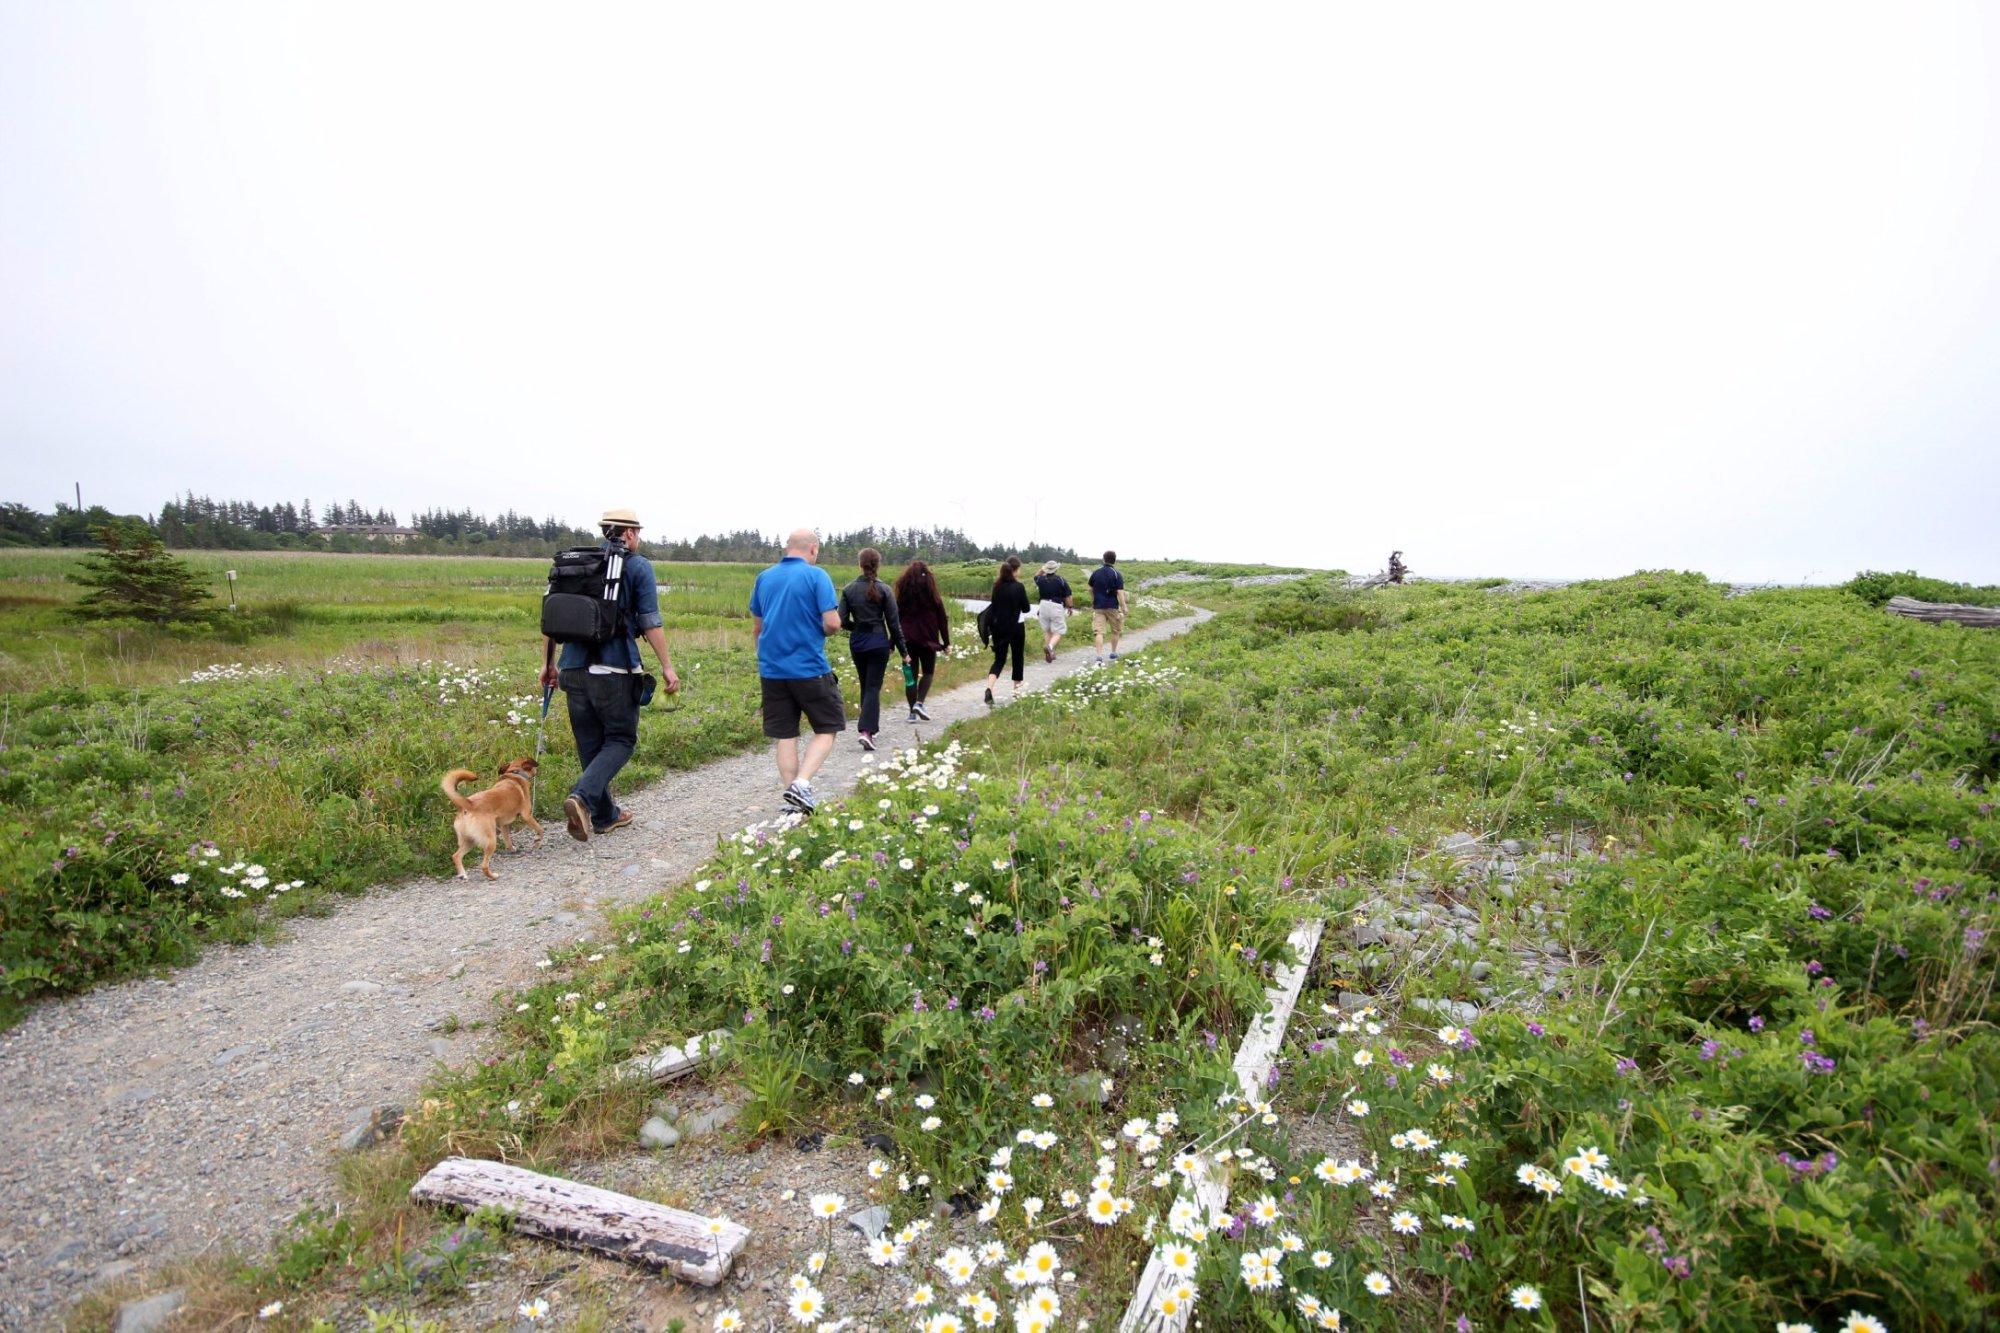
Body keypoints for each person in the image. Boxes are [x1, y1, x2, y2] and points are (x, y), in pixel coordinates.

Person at [538, 507, 680, 841]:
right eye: (638, 532)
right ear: (629, 532)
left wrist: (548, 664)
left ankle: (604, 816)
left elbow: (549, 619)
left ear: (605, 531)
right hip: (614, 670)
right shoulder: (637, 566)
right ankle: (583, 797)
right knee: (621, 739)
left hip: (572, 669)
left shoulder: (574, 567)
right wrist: (667, 666)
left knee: (590, 744)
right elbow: (650, 621)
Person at [749, 528, 845, 813]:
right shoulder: (817, 576)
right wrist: (821, 628)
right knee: (828, 726)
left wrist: (765, 656)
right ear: (813, 549)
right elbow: (833, 623)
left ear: (788, 547)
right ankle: (801, 784)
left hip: (772, 670)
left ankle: (792, 800)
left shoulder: (764, 577)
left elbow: (758, 627)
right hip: (809, 667)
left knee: (786, 733)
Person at [839, 547, 907, 751]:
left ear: (859, 565)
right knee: (872, 686)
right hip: (878, 642)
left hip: (858, 642)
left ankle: (869, 727)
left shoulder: (848, 589)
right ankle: (866, 731)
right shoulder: (885, 590)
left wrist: (857, 627)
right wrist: (904, 652)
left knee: (866, 684)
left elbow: (841, 620)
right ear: (878, 565)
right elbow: (894, 624)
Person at [894, 559, 949, 722]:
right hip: (928, 639)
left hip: (907, 640)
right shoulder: (933, 596)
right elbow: (942, 620)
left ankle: (912, 713)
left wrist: (892, 643)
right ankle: (920, 702)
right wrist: (946, 642)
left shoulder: (902, 596)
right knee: (928, 672)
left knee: (910, 677)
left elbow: (895, 620)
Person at [983, 559, 1032, 705]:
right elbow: (1027, 608)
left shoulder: (996, 586)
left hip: (999, 629)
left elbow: (994, 605)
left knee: (999, 660)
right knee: (1017, 658)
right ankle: (1016, 694)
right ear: (1015, 570)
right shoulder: (1019, 587)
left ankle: (989, 688)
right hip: (1016, 628)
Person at [1088, 549, 1129, 662]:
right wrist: (1124, 606)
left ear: (1103, 559)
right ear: (1114, 560)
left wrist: (1094, 600)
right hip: (1112, 606)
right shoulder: (1117, 574)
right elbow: (1120, 593)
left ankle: (1099, 655)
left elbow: (1090, 589)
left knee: (1099, 632)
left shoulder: (1096, 573)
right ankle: (1113, 653)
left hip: (1098, 607)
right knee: (1115, 630)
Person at [1033, 560, 1073, 663]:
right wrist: (1070, 607)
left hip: (1043, 605)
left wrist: (1043, 568)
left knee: (1048, 630)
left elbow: (1036, 575)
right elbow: (1068, 595)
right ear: (1056, 570)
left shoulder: (1040, 580)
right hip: (1056, 605)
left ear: (1046, 569)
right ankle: (1050, 647)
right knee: (1059, 630)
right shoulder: (1061, 580)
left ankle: (1050, 653)